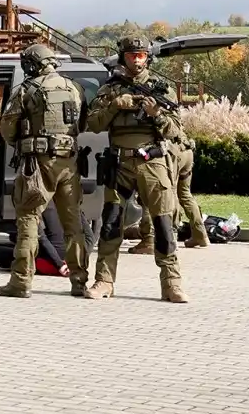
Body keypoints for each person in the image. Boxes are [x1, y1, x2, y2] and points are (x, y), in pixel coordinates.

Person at [84, 36, 189, 303]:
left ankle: (172, 283)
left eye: (141, 55)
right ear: (123, 57)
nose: (137, 60)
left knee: (164, 225)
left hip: (152, 163)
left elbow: (176, 131)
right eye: (132, 55)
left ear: (147, 58)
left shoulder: (159, 89)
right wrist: (115, 106)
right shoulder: (110, 89)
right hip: (119, 164)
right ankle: (104, 280)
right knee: (111, 224)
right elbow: (93, 124)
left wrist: (157, 115)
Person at [0, 43, 89, 299]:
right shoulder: (75, 88)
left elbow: (8, 128)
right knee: (73, 225)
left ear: (33, 65)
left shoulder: (27, 90)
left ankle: (21, 282)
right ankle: (79, 282)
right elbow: (82, 123)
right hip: (69, 163)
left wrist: (25, 143)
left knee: (28, 220)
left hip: (37, 164)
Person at [130, 136, 210, 253]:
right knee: (185, 194)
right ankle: (200, 235)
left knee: (168, 193)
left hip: (173, 152)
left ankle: (169, 237)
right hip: (186, 150)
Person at [0, 201, 95, 276]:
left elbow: (42, 238)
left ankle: (21, 274)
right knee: (15, 241)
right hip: (74, 259)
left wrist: (59, 265)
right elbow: (91, 238)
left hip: (50, 261)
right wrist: (82, 257)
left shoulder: (41, 203)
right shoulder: (71, 205)